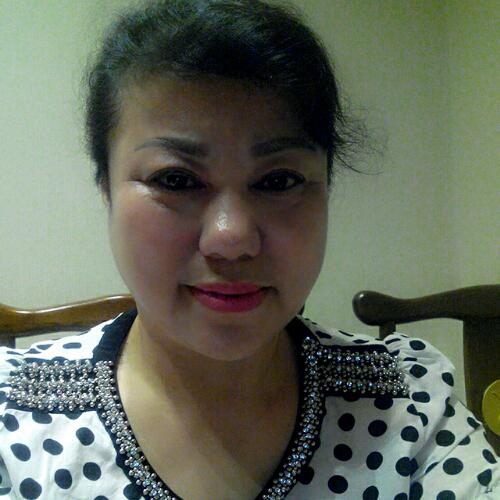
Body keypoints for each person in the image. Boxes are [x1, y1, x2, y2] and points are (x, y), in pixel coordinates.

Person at [0, 0, 497, 498]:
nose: (231, 238)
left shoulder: (406, 399)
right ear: (105, 188)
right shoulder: (15, 415)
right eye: (176, 180)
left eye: (278, 180)